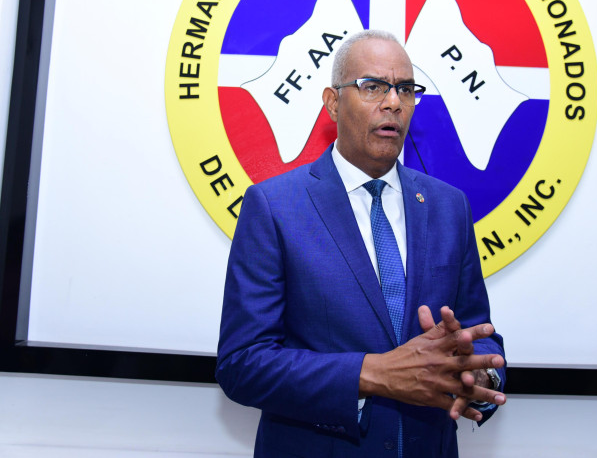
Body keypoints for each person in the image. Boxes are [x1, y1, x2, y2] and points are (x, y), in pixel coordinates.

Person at [216, 30, 506, 457]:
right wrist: (371, 374)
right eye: (373, 87)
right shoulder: (275, 207)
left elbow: (476, 333)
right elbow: (242, 364)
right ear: (333, 102)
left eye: (405, 89)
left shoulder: (449, 207)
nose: (393, 102)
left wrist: (477, 376)